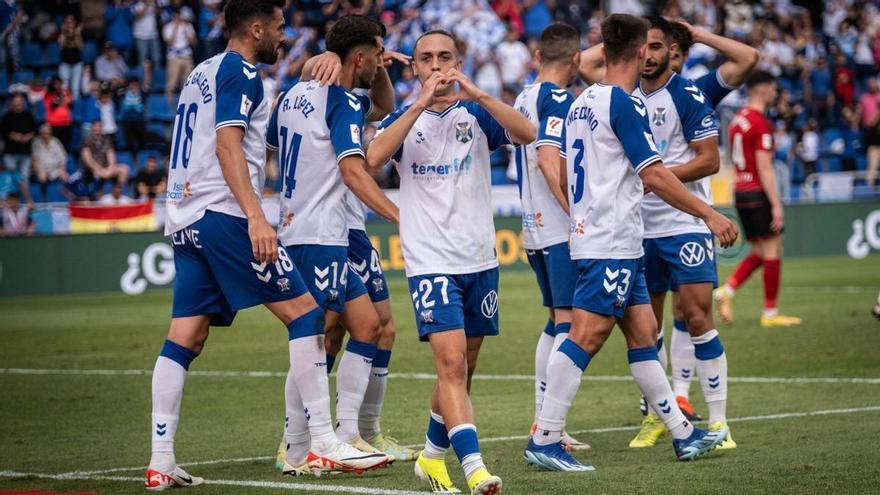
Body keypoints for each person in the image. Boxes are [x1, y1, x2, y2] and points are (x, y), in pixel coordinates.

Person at [144, 1, 390, 490]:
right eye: (278, 29)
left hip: (186, 218)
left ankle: (160, 460)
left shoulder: (202, 71)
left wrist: (303, 69)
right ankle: (319, 441)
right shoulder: (243, 73)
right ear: (255, 30)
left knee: (186, 337)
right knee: (306, 316)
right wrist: (257, 216)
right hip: (225, 214)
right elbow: (227, 145)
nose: (283, 36)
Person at [528, 13, 736, 472]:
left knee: (644, 335)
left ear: (603, 51)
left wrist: (581, 212)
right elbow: (655, 174)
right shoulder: (625, 104)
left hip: (611, 238)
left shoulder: (581, 102)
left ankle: (683, 435)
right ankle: (544, 438)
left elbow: (559, 168)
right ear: (642, 51)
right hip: (611, 241)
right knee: (586, 335)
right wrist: (708, 211)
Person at [366, 29, 536, 494]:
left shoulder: (478, 114)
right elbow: (373, 157)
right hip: (430, 259)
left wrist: (478, 91)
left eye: (446, 58)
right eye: (427, 59)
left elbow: (528, 133)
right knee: (452, 366)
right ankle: (475, 468)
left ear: (458, 62)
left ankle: (432, 456)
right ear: (414, 67)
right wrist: (418, 103)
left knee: (467, 365)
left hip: (479, 256)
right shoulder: (403, 119)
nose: (437, 67)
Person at [267, 15, 401, 474]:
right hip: (319, 232)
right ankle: (298, 444)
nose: (382, 63)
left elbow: (274, 142)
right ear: (358, 58)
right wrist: (401, 216)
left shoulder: (291, 97)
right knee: (315, 334)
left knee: (364, 325)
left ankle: (345, 435)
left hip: (310, 228)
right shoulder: (340, 99)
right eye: (376, 57)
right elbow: (351, 170)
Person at [511, 22, 589, 455]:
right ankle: (548, 425)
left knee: (555, 318)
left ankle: (544, 417)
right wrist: (575, 213)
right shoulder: (558, 97)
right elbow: (547, 159)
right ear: (576, 60)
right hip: (558, 226)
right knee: (570, 322)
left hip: (533, 223)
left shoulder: (525, 95)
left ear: (539, 56)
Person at [715, 70, 803, 329]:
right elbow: (765, 167)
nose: (775, 93)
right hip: (757, 191)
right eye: (773, 88)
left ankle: (727, 291)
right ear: (762, 88)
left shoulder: (737, 120)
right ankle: (770, 312)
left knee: (760, 251)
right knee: (774, 249)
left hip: (739, 190)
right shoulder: (760, 122)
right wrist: (776, 204)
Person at [162, 7, 196, 102]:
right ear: (173, 16)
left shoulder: (188, 26)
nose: (178, 18)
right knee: (171, 83)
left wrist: (186, 32)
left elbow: (194, 42)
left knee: (188, 83)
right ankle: (168, 106)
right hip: (174, 56)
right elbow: (168, 43)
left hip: (186, 55)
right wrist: (175, 29)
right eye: (176, 16)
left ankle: (187, 103)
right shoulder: (168, 27)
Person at [80, 121, 130, 186]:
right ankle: (98, 193)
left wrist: (110, 168)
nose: (97, 128)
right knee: (97, 173)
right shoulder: (86, 141)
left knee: (124, 169)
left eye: (99, 126)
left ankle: (119, 190)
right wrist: (99, 169)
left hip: (106, 167)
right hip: (93, 168)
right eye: (95, 126)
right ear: (92, 128)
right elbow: (88, 160)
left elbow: (111, 154)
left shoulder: (107, 139)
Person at [1, 93, 37, 179]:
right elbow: (4, 132)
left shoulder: (29, 116)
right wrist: (15, 136)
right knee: (11, 179)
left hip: (25, 152)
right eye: (16, 102)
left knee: (24, 178)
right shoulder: (6, 117)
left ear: (23, 103)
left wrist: (28, 137)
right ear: (12, 103)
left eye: (20, 102)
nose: (18, 104)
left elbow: (34, 131)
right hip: (10, 153)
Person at [31, 123, 69, 199]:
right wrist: (39, 171)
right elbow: (34, 160)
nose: (46, 136)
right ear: (40, 134)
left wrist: (62, 169)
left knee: (66, 177)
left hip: (55, 169)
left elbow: (63, 157)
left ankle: (64, 200)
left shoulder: (55, 141)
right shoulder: (36, 142)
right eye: (44, 134)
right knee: (42, 178)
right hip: (41, 169)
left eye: (48, 133)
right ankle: (44, 200)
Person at [58, 15, 84, 98]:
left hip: (77, 63)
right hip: (65, 63)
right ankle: (64, 107)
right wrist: (64, 33)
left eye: (70, 22)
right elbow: (61, 46)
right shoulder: (62, 34)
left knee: (75, 88)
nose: (69, 24)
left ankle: (75, 108)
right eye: (67, 22)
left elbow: (80, 47)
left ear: (74, 23)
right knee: (64, 87)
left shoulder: (78, 33)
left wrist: (77, 34)